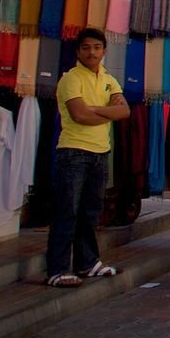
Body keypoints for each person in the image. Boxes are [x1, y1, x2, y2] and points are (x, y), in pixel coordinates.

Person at [47, 28, 130, 287]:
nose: (91, 52)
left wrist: (94, 108)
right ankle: (58, 269)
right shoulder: (71, 79)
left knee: (90, 212)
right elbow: (79, 116)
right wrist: (107, 111)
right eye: (86, 47)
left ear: (104, 51)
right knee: (66, 211)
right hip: (73, 152)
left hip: (99, 152)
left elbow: (125, 111)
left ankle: (87, 262)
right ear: (78, 51)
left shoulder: (108, 79)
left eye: (96, 47)